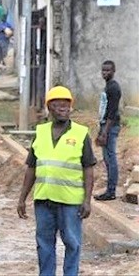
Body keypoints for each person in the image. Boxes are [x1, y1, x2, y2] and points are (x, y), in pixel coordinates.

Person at [17, 86, 96, 276]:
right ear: (49, 108)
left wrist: (87, 200)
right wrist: (22, 198)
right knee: (44, 244)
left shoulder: (80, 134)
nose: (63, 107)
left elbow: (89, 169)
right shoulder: (41, 132)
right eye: (58, 104)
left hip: (70, 202)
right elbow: (31, 168)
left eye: (67, 104)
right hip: (43, 200)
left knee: (72, 243)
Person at [94, 60, 122, 201]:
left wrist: (105, 132)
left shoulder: (114, 88)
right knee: (106, 158)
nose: (105, 73)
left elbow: (112, 112)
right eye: (103, 70)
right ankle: (109, 189)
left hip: (110, 127)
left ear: (114, 71)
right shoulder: (108, 86)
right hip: (105, 125)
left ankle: (111, 191)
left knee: (110, 159)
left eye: (108, 70)